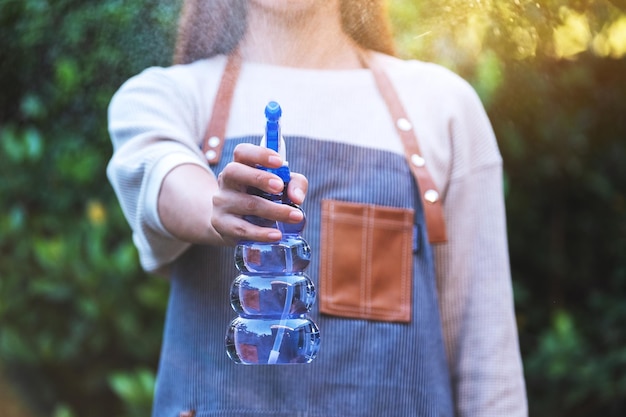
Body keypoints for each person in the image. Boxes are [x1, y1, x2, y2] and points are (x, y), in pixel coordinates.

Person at [107, 0, 528, 416]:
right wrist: (219, 208)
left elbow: (488, 366)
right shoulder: (163, 98)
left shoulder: (443, 107)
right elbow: (164, 176)